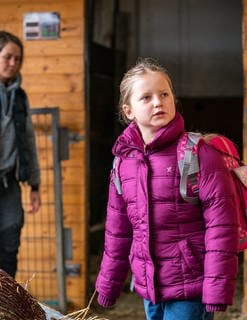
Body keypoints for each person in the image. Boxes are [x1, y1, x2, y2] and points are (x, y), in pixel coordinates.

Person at [95, 57, 239, 320]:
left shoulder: (200, 154)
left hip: (191, 286)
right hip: (150, 287)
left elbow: (222, 226)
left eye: (164, 94)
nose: (158, 102)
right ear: (129, 111)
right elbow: (117, 231)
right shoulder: (122, 163)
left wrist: (217, 289)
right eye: (146, 97)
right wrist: (108, 285)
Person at [0, 31, 41, 278]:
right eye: (7, 57)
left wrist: (35, 184)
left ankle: (5, 309)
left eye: (18, 59)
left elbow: (28, 141)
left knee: (10, 244)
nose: (13, 63)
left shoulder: (20, 98)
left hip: (9, 184)